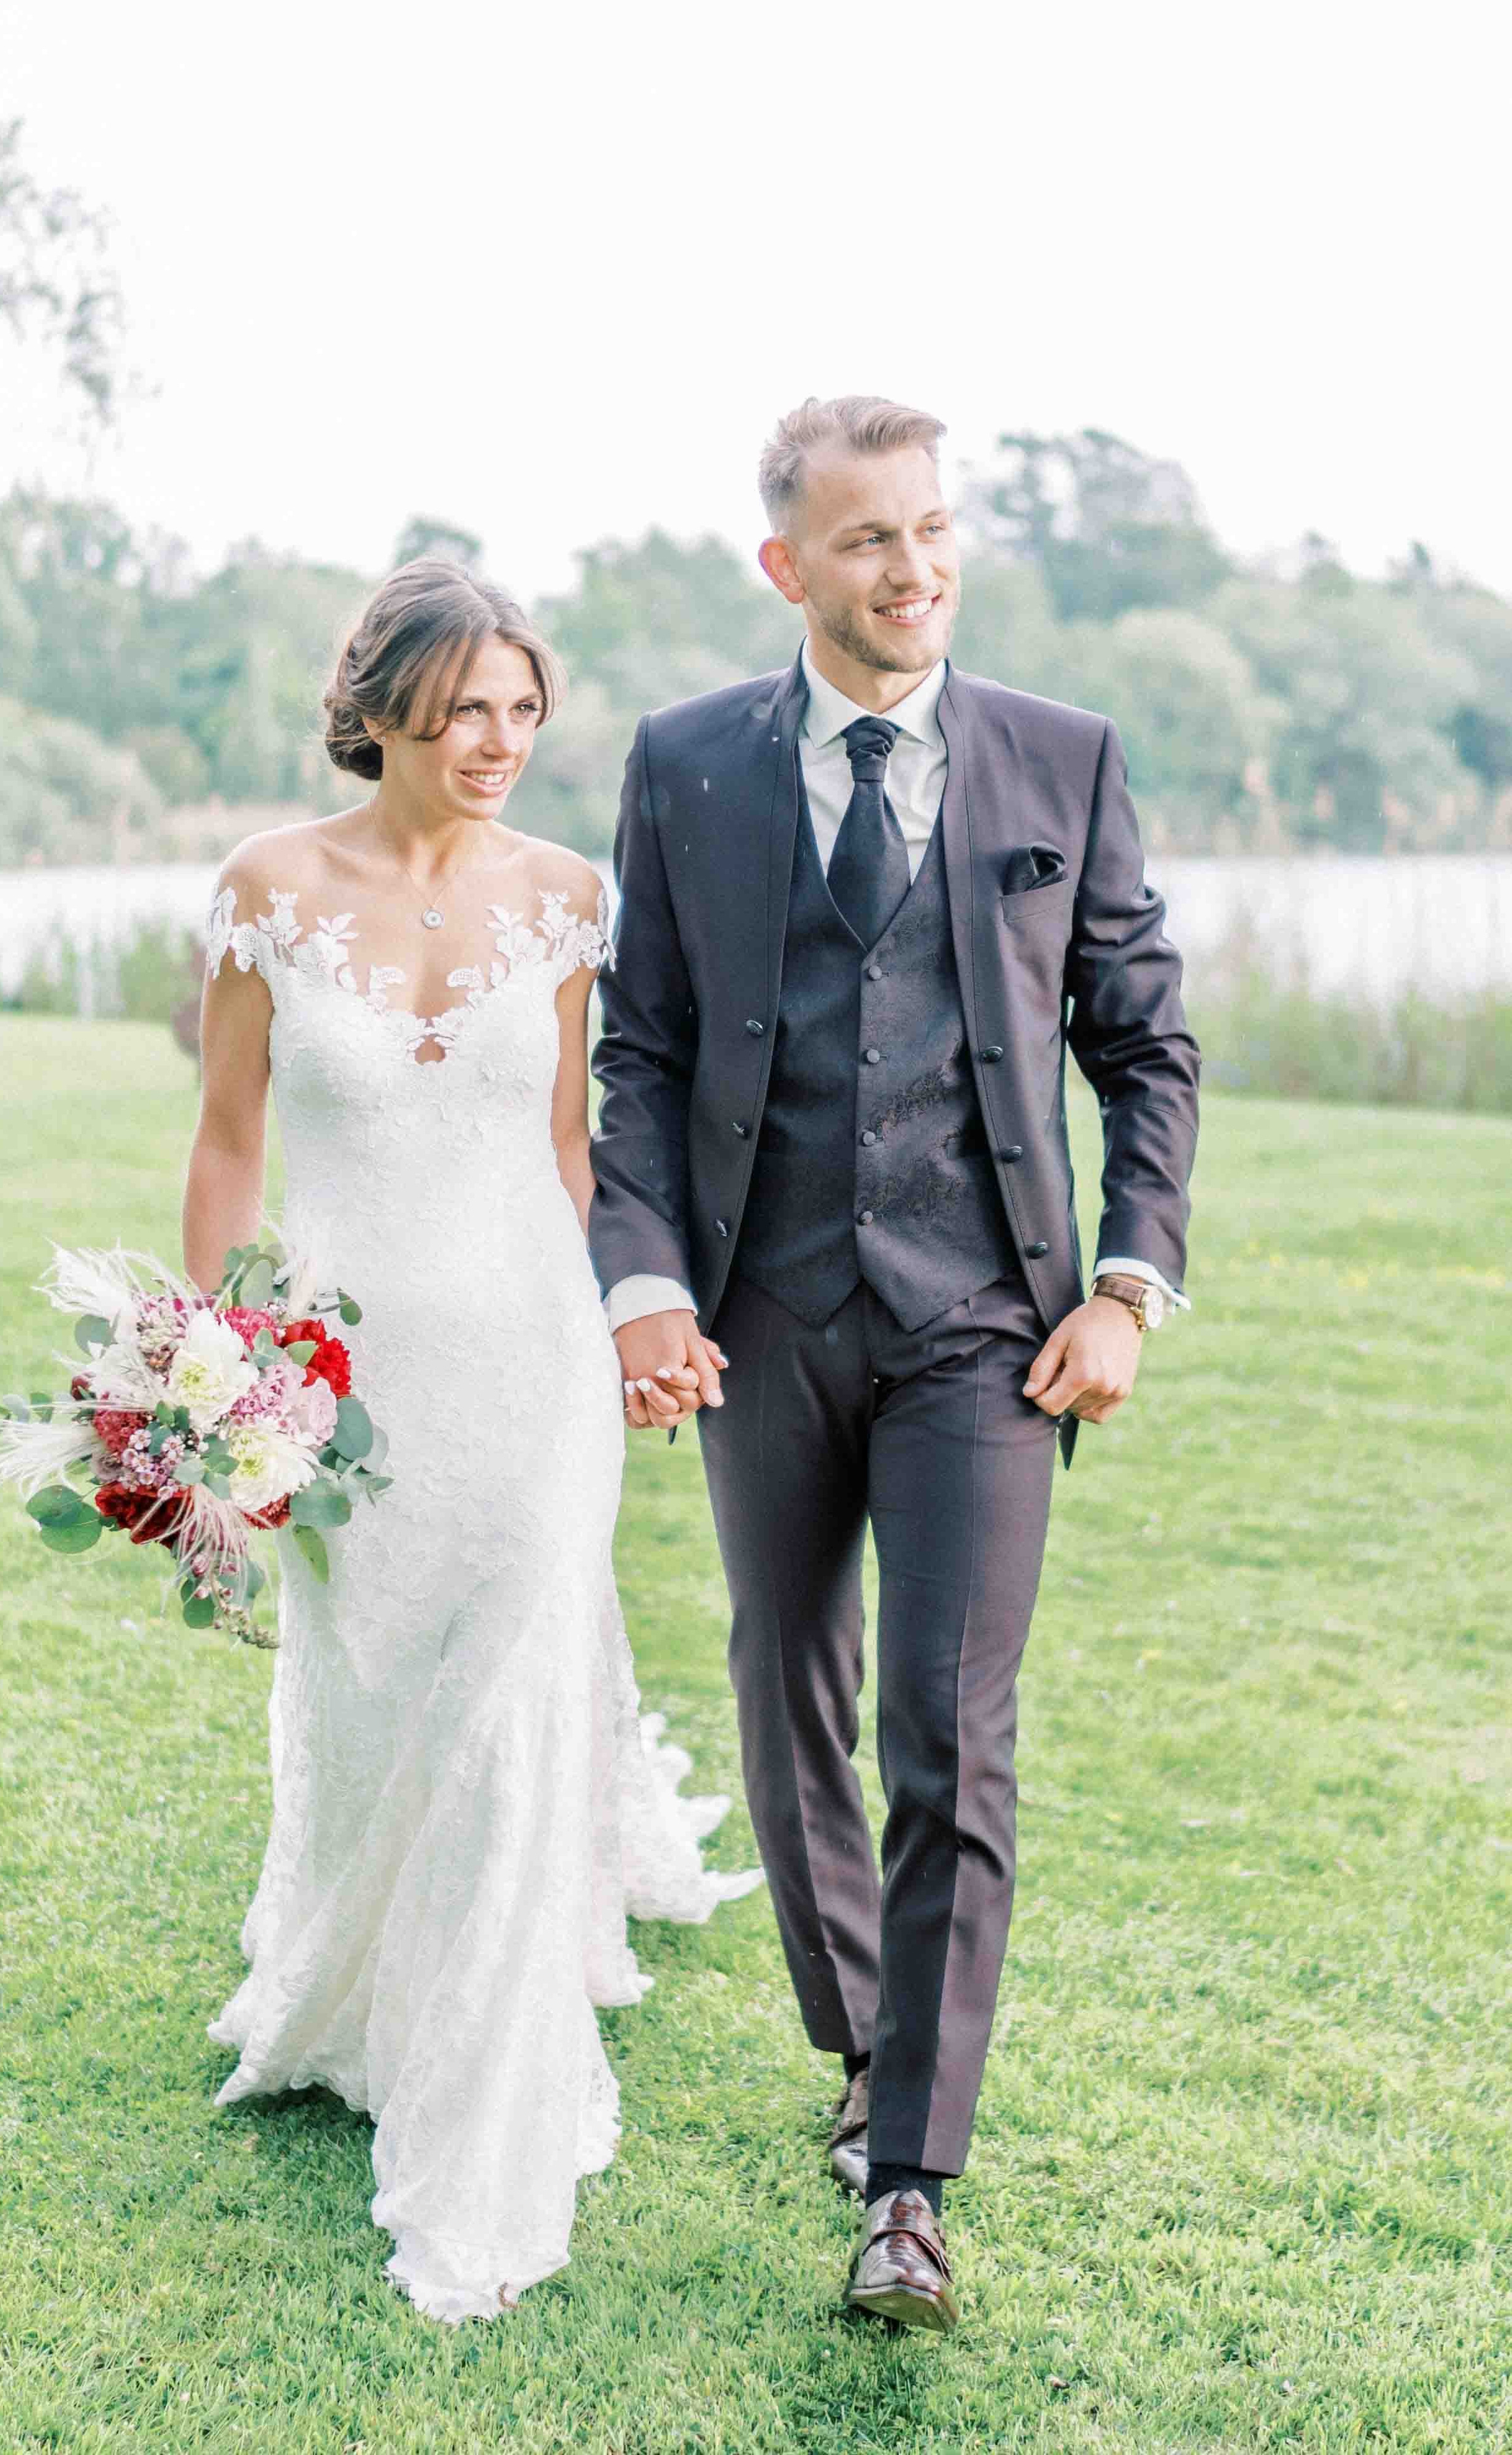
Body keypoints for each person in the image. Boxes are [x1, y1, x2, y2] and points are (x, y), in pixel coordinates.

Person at [591, 396, 1201, 2334]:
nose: (913, 569)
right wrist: (647, 1287)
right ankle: (858, 2041)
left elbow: (1145, 1045)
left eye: (932, 530)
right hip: (759, 1320)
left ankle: (912, 2182)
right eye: (868, 541)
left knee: (952, 1730)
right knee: (791, 1704)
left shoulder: (1063, 758)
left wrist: (1127, 1282)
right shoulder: (686, 764)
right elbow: (644, 1059)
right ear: (788, 566)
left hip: (984, 1333)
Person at [186, 558, 757, 2324]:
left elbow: (578, 1156)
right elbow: (224, 1147)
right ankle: (357, 1990)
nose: (497, 743)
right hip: (345, 1382)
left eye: (522, 710)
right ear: (379, 712)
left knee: (512, 1696)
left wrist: (627, 1323)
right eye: (461, 713)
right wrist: (212, 1378)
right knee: (372, 1694)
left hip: (532, 1367)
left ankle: (493, 2090)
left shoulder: (569, 902)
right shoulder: (268, 890)